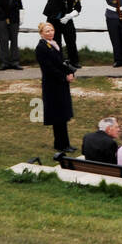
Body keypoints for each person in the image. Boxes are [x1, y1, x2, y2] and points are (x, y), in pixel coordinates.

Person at [35, 21, 76, 152]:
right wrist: (64, 76)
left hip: (61, 84)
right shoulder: (41, 48)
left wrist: (69, 72)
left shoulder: (54, 44)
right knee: (58, 115)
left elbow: (61, 63)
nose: (50, 33)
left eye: (51, 30)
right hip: (52, 85)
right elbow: (48, 68)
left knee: (63, 115)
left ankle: (66, 143)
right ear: (41, 33)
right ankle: (60, 144)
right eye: (47, 31)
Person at [43, 0, 81, 69]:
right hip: (53, 19)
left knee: (71, 40)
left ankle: (74, 61)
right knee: (55, 41)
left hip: (66, 19)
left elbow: (78, 8)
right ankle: (58, 61)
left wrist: (69, 16)